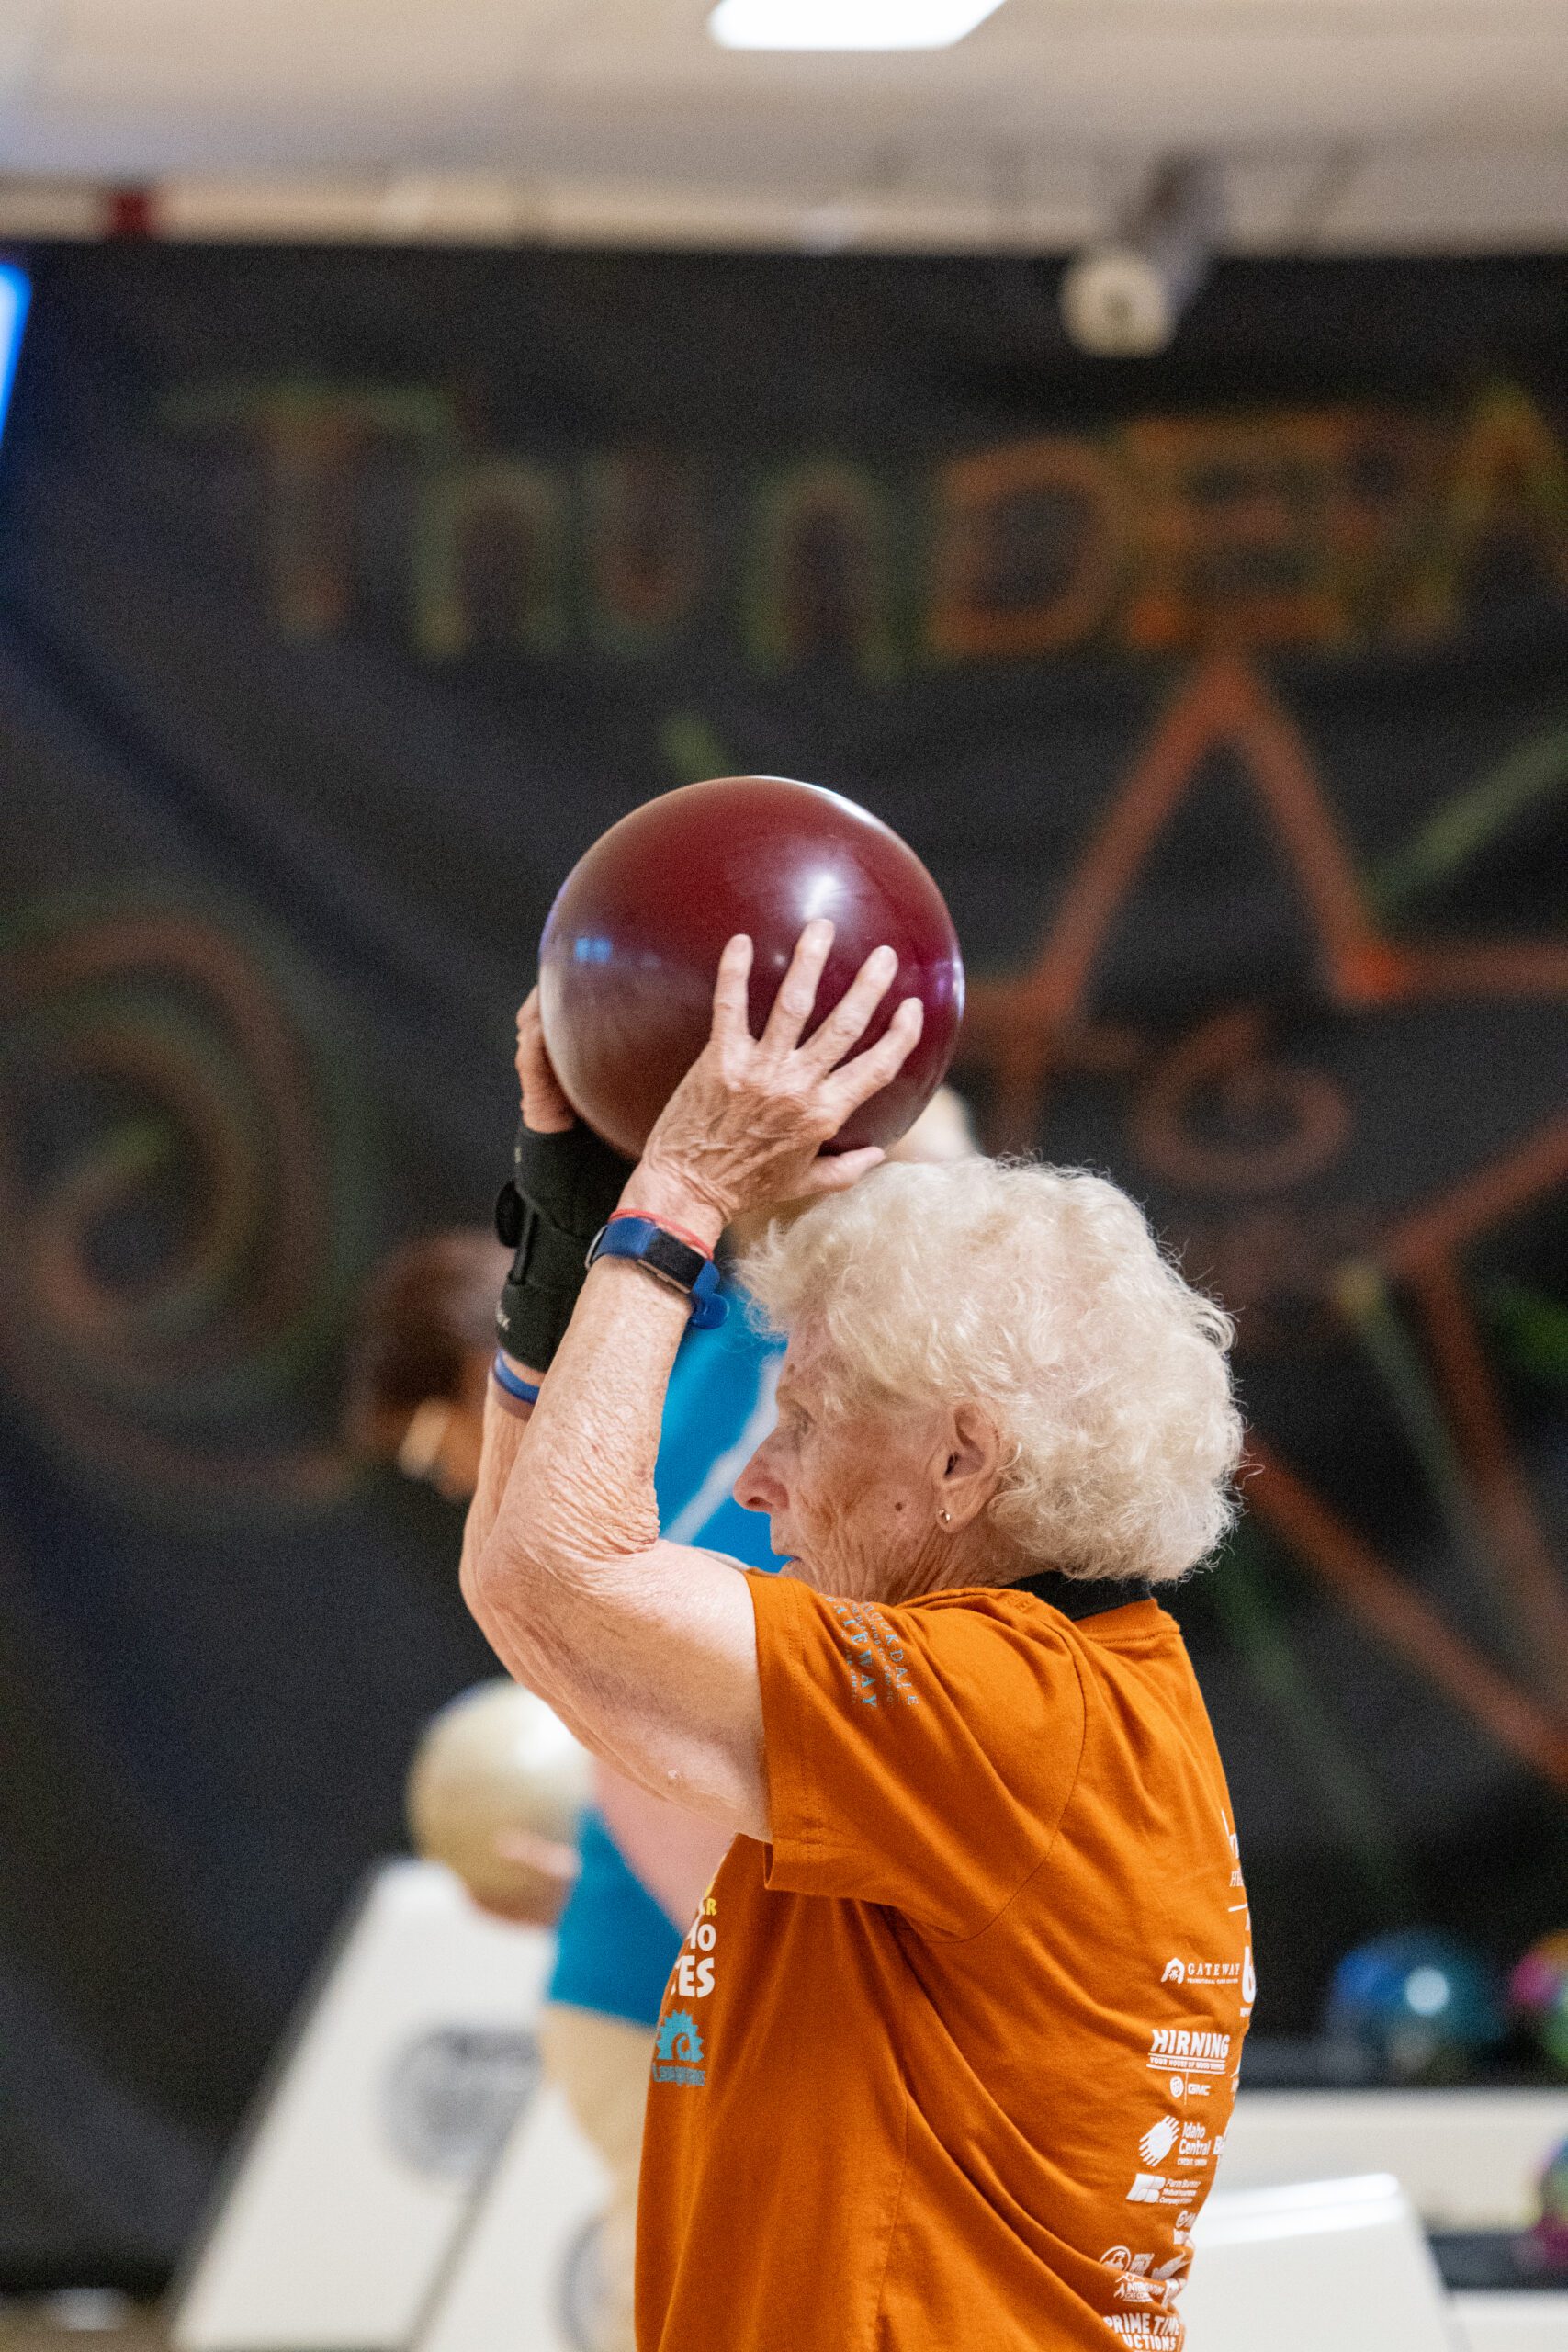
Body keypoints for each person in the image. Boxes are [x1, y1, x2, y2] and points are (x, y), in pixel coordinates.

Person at [462, 919, 1248, 2352]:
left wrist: (682, 1187)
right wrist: (570, 1232)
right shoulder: (1043, 1691)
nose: (759, 1479)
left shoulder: (1001, 1707)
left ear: (963, 1462)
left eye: (807, 1423)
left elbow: (560, 1575)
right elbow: (534, 1595)